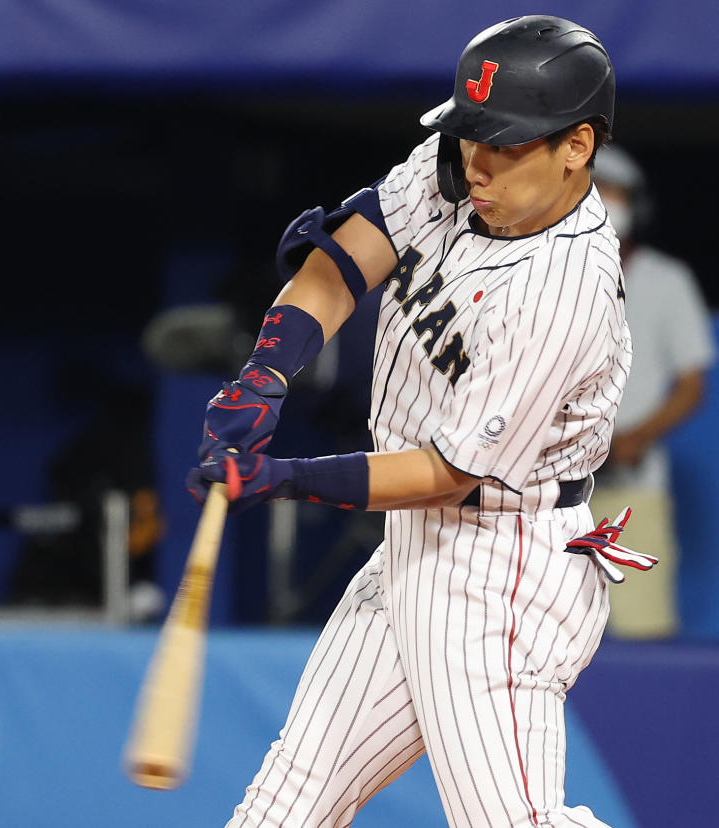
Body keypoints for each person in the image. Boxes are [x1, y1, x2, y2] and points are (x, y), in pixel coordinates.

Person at [186, 16, 649, 827]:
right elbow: (342, 261)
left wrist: (281, 477)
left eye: (505, 144)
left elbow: (447, 470)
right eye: (472, 134)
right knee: (288, 803)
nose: (477, 161)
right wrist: (263, 378)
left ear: (576, 146)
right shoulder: (458, 171)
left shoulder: (564, 287)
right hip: (419, 542)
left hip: (503, 565)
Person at [587, 144, 715, 639]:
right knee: (543, 631)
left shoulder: (668, 280)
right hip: (548, 488)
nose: (602, 202)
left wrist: (635, 438)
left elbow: (691, 385)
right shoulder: (539, 271)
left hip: (632, 484)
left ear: (635, 206)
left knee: (640, 628)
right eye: (591, 192)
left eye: (612, 193)